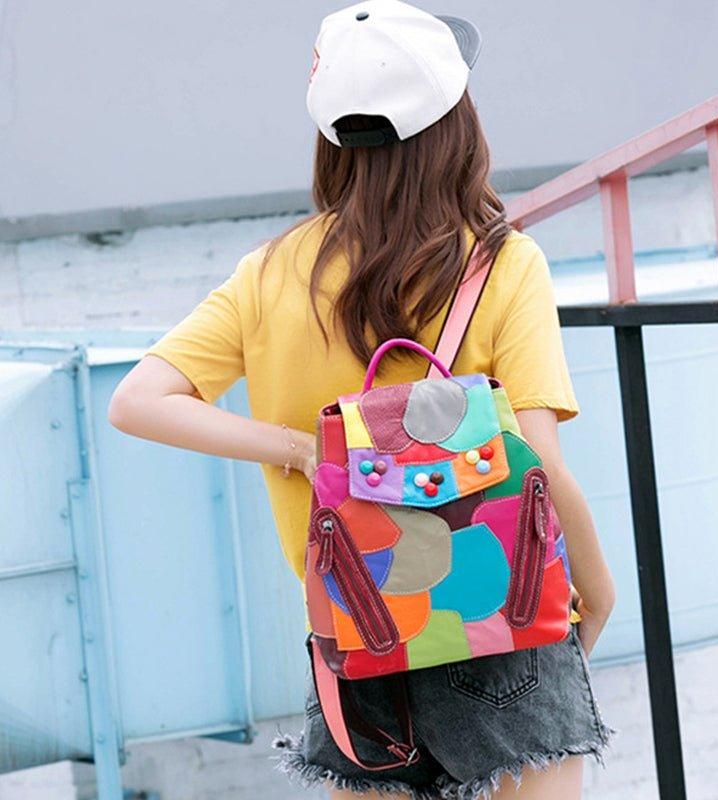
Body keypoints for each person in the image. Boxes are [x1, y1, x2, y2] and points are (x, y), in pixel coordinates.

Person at [107, 1, 617, 797]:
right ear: (457, 127)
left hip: (363, 631)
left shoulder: (271, 273)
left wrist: (301, 448)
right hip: (502, 620)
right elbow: (539, 460)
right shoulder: (502, 264)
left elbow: (137, 400)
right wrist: (600, 593)